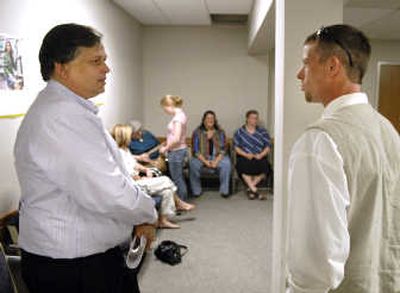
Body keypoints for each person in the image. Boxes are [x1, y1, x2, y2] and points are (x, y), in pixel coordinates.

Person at [14, 23, 157, 293]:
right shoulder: (61, 117)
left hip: (79, 259)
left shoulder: (66, 110)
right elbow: (109, 192)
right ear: (62, 67)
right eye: (95, 61)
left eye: (104, 60)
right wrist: (148, 213)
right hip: (73, 267)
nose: (106, 69)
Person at [286, 24, 400, 293]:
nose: (299, 74)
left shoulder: (319, 142)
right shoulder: (388, 130)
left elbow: (316, 268)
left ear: (332, 66)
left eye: (306, 63)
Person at [110, 124, 195, 229]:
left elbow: (133, 164)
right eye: (129, 135)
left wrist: (145, 169)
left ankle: (163, 220)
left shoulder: (125, 150)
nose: (131, 137)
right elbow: (125, 175)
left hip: (138, 181)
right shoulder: (117, 153)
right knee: (165, 180)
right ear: (123, 137)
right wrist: (141, 178)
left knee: (167, 191)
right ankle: (179, 203)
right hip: (133, 186)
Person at [189, 110, 232, 198]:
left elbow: (223, 149)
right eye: (208, 118)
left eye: (212, 118)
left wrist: (216, 161)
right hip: (201, 157)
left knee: (227, 163)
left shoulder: (220, 132)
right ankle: (196, 191)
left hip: (217, 156)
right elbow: (196, 150)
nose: (210, 120)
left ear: (215, 120)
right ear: (204, 120)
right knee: (192, 163)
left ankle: (224, 191)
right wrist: (205, 162)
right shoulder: (197, 132)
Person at [233, 110, 272, 200]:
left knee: (266, 167)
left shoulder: (263, 132)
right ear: (247, 119)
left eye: (256, 118)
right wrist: (246, 154)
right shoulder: (239, 132)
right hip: (245, 156)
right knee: (241, 165)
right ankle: (254, 189)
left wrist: (261, 155)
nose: (255, 120)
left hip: (259, 156)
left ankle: (250, 188)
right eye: (252, 118)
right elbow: (236, 148)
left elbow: (267, 146)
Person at [159, 95, 189, 200]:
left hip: (177, 151)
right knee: (178, 177)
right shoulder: (181, 115)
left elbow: (176, 138)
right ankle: (182, 200)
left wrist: (166, 148)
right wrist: (167, 142)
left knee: (177, 178)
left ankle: (182, 201)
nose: (165, 111)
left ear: (169, 105)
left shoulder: (177, 118)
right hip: (178, 150)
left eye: (164, 108)